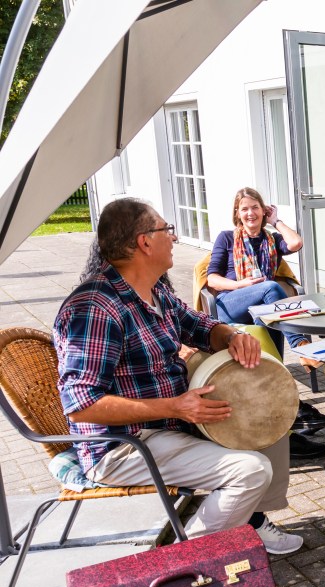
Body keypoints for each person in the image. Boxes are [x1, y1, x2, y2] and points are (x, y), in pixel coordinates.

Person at [54, 198, 304, 554]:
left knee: (270, 416)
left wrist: (232, 337)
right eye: (166, 230)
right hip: (123, 446)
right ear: (144, 242)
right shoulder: (95, 309)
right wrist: (176, 406)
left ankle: (251, 519)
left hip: (169, 422)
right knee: (250, 470)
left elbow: (200, 325)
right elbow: (81, 406)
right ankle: (184, 557)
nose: (173, 237)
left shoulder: (153, 290)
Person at [206, 187, 325, 458]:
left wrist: (277, 221)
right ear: (237, 213)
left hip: (264, 310)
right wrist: (242, 285)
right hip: (232, 304)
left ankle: (281, 416)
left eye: (255, 208)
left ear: (264, 211)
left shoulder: (271, 239)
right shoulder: (226, 238)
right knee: (271, 287)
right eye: (244, 209)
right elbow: (212, 279)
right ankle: (302, 346)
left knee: (271, 350)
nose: (250, 213)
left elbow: (296, 244)